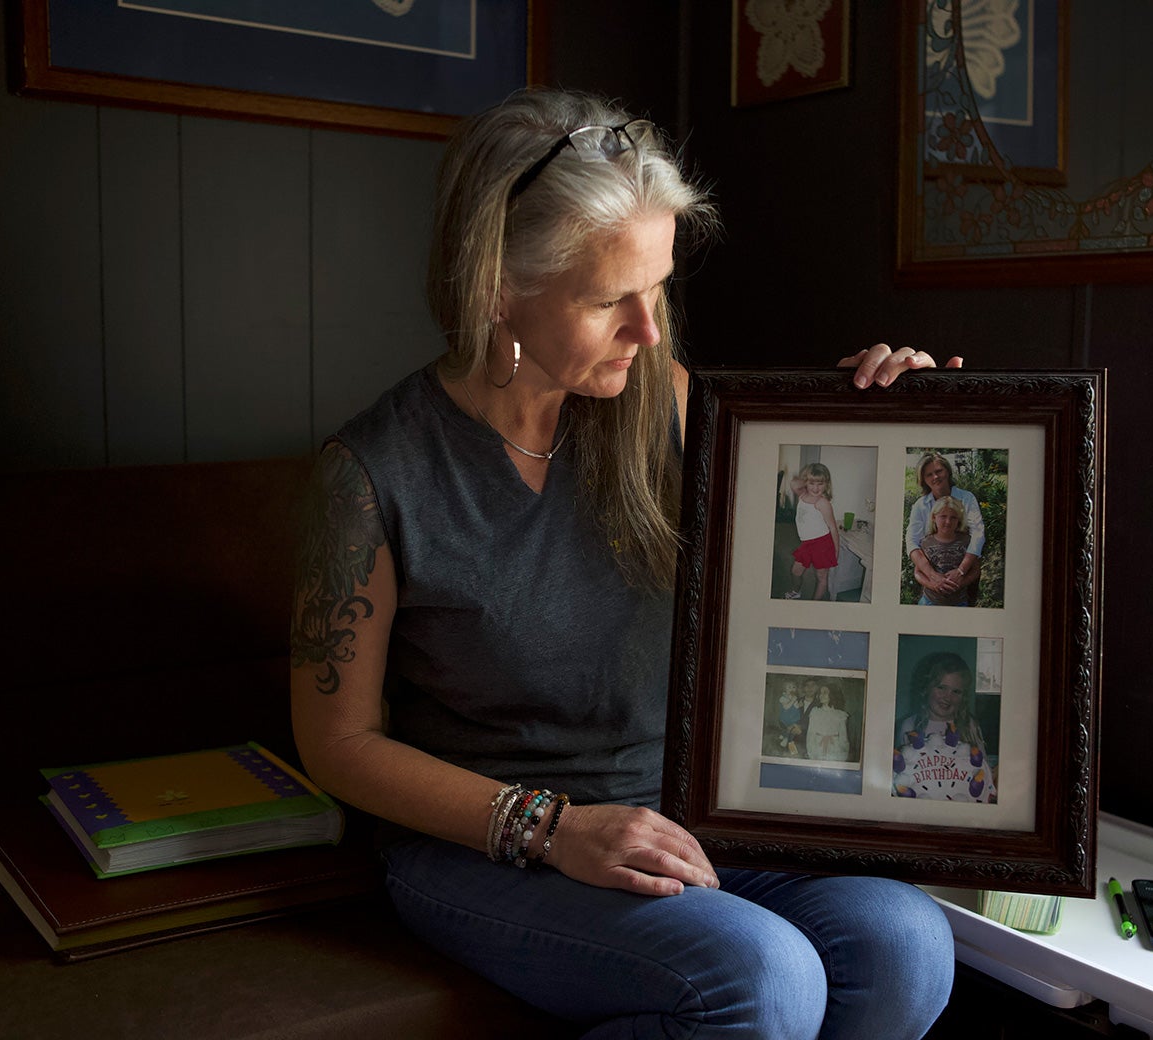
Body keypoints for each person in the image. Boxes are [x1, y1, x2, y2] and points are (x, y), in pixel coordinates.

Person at [289, 87, 960, 1039]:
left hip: (679, 810)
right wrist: (557, 830)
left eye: (660, 289)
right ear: (495, 287)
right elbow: (337, 744)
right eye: (610, 300)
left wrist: (902, 430)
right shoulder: (369, 476)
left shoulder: (670, 400)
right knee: (763, 979)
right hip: (480, 845)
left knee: (906, 946)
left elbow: (819, 559)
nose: (650, 332)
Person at [892, 652, 997, 803]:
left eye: (956, 691)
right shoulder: (910, 726)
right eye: (941, 687)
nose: (947, 697)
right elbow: (899, 772)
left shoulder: (969, 724)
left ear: (964, 696)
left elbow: (983, 768)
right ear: (926, 688)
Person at [905, 452, 985, 604]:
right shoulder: (920, 506)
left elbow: (978, 534)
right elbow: (912, 542)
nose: (935, 477)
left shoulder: (967, 498)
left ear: (947, 471)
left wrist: (961, 572)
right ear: (923, 480)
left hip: (965, 570)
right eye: (929, 474)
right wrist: (933, 576)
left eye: (939, 471)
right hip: (932, 576)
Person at [784, 462, 841, 601]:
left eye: (820, 484)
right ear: (805, 483)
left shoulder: (822, 503)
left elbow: (833, 527)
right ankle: (796, 591)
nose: (815, 488)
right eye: (812, 483)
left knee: (821, 576)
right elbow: (793, 483)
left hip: (822, 544)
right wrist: (804, 480)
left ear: (826, 484)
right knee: (796, 571)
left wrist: (836, 550)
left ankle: (814, 604)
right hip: (806, 544)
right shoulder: (802, 494)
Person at [918, 496, 977, 606]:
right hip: (929, 601)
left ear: (959, 520)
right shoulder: (926, 542)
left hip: (959, 602)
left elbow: (976, 570)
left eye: (953, 517)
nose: (948, 521)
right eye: (943, 516)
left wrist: (961, 583)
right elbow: (917, 572)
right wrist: (932, 585)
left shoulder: (967, 541)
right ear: (933, 517)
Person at [806, 685, 851, 762]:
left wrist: (843, 755)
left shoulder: (840, 715)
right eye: (820, 693)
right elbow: (810, 734)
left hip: (835, 750)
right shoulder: (815, 712)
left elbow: (843, 737)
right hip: (818, 748)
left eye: (825, 693)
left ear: (832, 695)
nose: (821, 695)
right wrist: (812, 753)